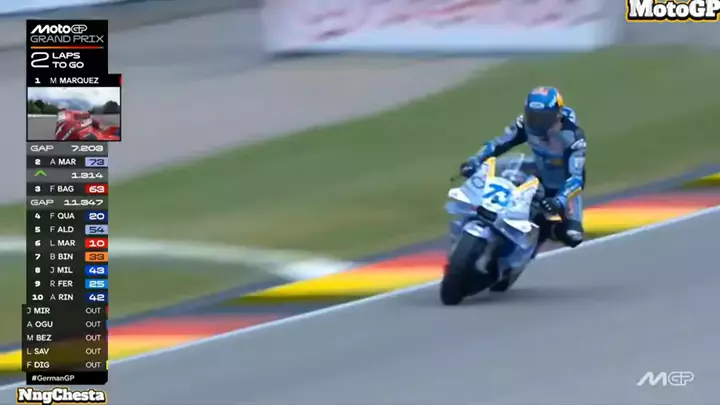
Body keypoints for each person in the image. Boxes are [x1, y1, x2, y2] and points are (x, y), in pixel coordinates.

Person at [459, 86, 586, 254]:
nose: (537, 123)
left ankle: (542, 231)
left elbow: (576, 178)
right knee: (501, 176)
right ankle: (479, 220)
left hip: (563, 187)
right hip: (537, 172)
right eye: (533, 116)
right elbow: (498, 143)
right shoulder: (524, 124)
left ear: (557, 115)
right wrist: (475, 160)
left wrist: (559, 200)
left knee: (573, 236)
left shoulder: (573, 137)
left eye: (543, 118)